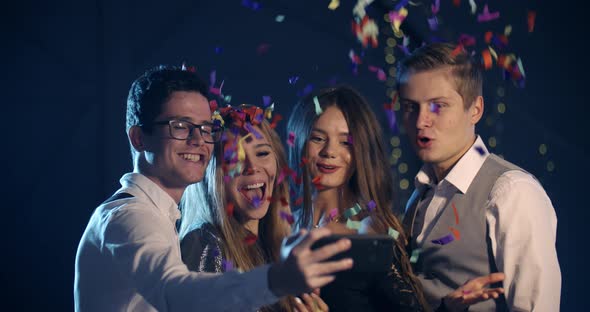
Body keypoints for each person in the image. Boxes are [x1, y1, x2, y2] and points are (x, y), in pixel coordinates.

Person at [73, 66, 353, 311]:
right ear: (138, 138)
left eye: (205, 128)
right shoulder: (130, 216)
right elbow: (175, 295)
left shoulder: (160, 217)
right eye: (180, 126)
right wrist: (277, 280)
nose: (198, 140)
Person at [396, 42, 561, 311]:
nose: (420, 121)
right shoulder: (421, 193)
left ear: (475, 109)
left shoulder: (512, 191)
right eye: (410, 107)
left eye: (438, 105)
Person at [287, 85, 429, 311]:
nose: (329, 151)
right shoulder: (281, 227)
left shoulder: (371, 231)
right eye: (317, 138)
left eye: (346, 142)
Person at [179, 104, 326, 311]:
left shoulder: (278, 246)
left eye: (263, 153)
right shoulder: (203, 243)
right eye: (233, 158)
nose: (252, 166)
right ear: (212, 176)